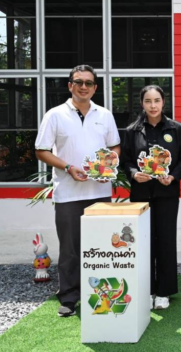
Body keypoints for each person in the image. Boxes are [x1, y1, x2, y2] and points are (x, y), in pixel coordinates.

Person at [34, 65, 121, 317]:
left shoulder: (105, 115)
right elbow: (41, 150)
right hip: (68, 193)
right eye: (79, 82)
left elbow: (115, 147)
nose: (84, 87)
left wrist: (106, 166)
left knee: (102, 246)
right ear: (70, 85)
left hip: (100, 191)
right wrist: (68, 167)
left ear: (95, 88)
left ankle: (102, 293)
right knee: (70, 250)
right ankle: (69, 297)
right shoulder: (55, 115)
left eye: (89, 83)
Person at [120, 85, 181, 310]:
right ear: (142, 103)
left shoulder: (176, 128)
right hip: (141, 195)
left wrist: (173, 176)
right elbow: (125, 161)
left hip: (167, 194)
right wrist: (134, 174)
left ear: (163, 102)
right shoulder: (132, 130)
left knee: (166, 241)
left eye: (157, 100)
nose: (153, 106)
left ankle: (164, 291)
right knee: (143, 242)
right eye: (148, 101)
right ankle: (148, 289)